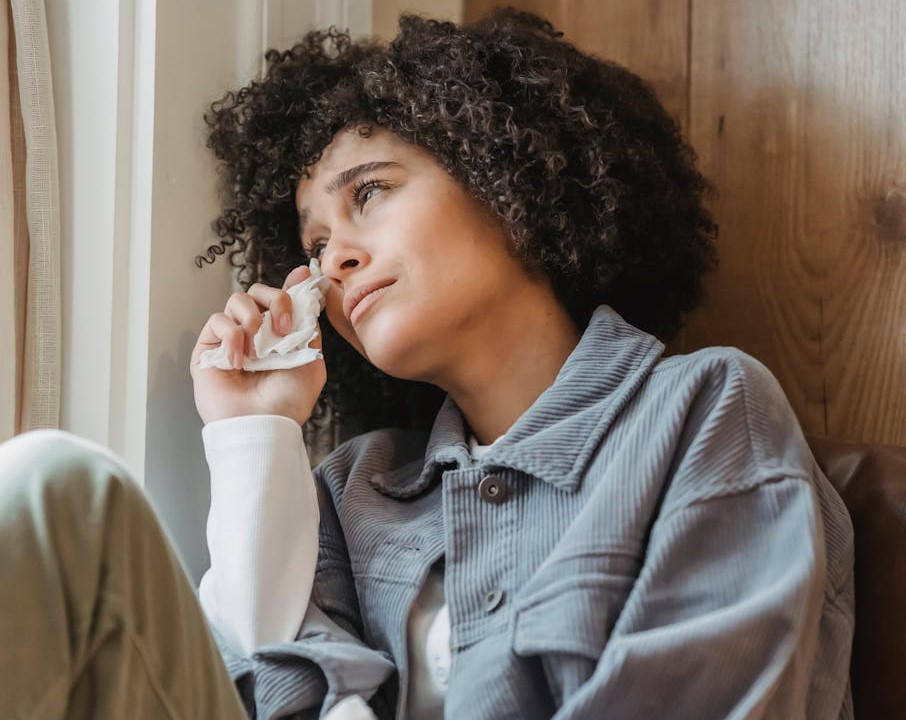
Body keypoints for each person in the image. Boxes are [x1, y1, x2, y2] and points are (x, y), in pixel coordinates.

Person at [0, 9, 853, 719]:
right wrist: (252, 432)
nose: (332, 263)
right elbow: (261, 689)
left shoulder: (706, 412)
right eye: (317, 242)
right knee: (50, 494)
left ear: (505, 170)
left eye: (368, 192)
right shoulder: (354, 487)